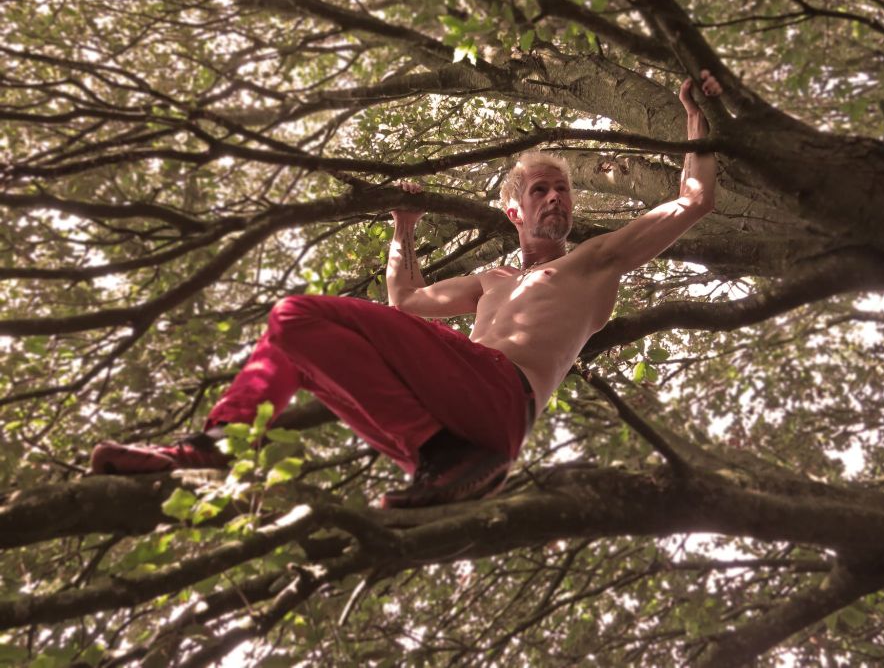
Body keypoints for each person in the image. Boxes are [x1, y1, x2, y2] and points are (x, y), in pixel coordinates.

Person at [90, 71, 722, 507]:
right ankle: (221, 443)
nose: (556, 197)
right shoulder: (491, 281)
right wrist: (404, 228)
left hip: (503, 396)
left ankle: (440, 452)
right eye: (540, 189)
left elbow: (693, 200)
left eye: (564, 190)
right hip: (461, 428)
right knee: (295, 340)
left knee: (294, 313)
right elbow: (407, 304)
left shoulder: (590, 263)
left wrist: (696, 117)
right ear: (515, 212)